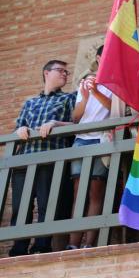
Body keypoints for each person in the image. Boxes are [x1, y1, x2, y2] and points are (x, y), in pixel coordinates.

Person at [10, 60, 75, 256]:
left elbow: (76, 123)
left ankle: (41, 247)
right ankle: (19, 248)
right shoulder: (30, 102)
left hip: (51, 159)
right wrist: (20, 129)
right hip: (25, 160)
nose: (65, 74)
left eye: (66, 72)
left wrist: (56, 123)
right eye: (60, 70)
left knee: (48, 205)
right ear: (47, 73)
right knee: (21, 207)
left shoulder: (69, 98)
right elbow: (17, 129)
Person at [67, 46, 112, 250]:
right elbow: (75, 118)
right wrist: (85, 97)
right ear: (98, 57)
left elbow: (115, 108)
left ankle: (89, 243)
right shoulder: (86, 81)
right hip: (81, 140)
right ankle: (73, 244)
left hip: (101, 139)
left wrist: (96, 91)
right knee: (78, 193)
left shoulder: (116, 82)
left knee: (96, 192)